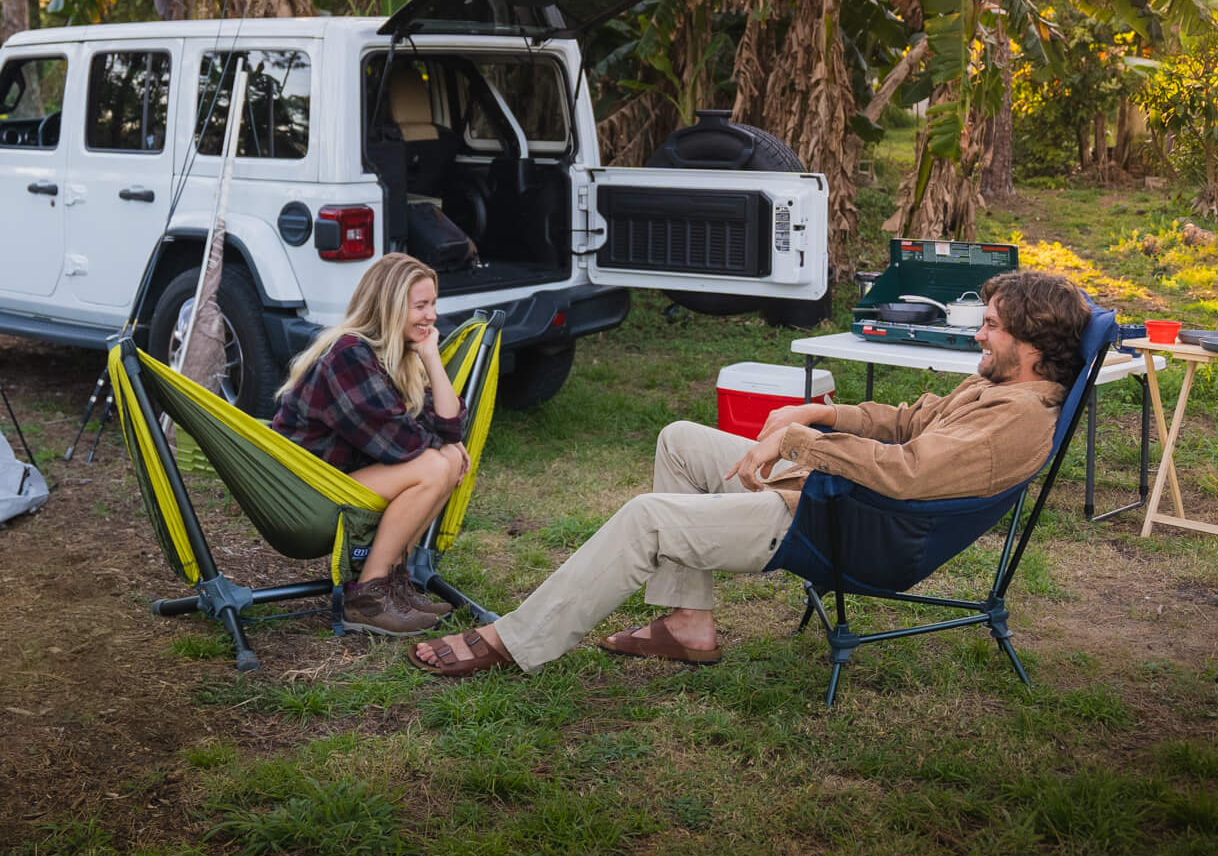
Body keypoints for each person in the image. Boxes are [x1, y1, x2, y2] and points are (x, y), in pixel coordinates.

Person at [408, 270, 1091, 676]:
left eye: (991, 326)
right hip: (835, 498)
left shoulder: (1014, 419)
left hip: (848, 526)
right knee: (680, 440)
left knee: (647, 519)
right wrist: (821, 413)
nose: (979, 334)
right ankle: (688, 624)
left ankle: (513, 640)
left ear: (1032, 344)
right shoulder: (997, 386)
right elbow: (910, 421)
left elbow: (909, 472)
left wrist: (801, 442)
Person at [270, 252, 471, 636]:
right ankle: (367, 597)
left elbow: (451, 427)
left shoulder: (397, 355)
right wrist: (445, 448)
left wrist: (431, 358)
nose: (432, 315)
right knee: (434, 465)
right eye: (421, 306)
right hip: (305, 495)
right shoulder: (348, 355)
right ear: (390, 306)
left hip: (340, 483)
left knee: (446, 460)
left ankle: (393, 585)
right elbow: (401, 444)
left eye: (433, 304)